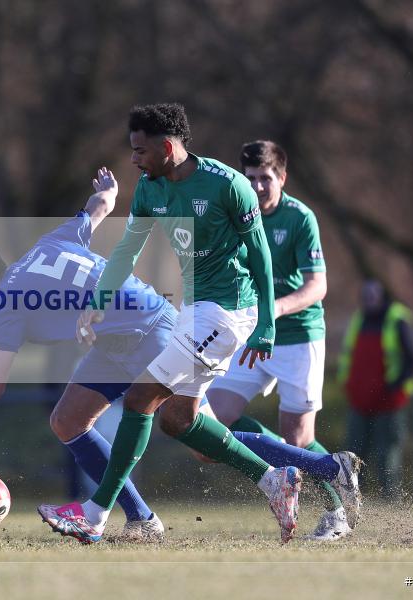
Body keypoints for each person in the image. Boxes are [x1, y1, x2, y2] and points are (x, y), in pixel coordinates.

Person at [0, 165, 358, 543]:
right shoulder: (44, 246)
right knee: (68, 420)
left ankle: (323, 467)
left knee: (193, 432)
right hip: (119, 333)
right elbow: (93, 212)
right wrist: (108, 194)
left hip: (151, 325)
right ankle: (142, 519)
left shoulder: (8, 304)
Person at [39, 103, 354, 544]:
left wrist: (265, 321)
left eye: (140, 150)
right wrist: (98, 301)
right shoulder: (150, 189)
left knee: (140, 397)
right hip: (195, 310)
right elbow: (128, 249)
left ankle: (96, 514)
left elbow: (260, 254)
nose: (133, 159)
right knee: (178, 420)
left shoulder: (228, 184)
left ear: (168, 147)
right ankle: (276, 480)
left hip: (229, 312)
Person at [202, 140, 360, 540]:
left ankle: (337, 512)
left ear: (282, 177)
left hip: (297, 338)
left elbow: (317, 286)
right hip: (250, 336)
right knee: (211, 422)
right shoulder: (233, 215)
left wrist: (273, 310)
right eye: (249, 178)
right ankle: (288, 466)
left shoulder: (300, 218)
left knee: (300, 437)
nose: (256, 187)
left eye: (265, 178)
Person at [339, 279, 413, 500]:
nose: (368, 301)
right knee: (354, 453)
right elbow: (349, 356)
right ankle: (353, 499)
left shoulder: (398, 319)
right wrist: (348, 385)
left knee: (388, 454)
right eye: (365, 296)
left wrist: (396, 388)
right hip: (359, 400)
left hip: (390, 402)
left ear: (383, 297)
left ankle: (391, 500)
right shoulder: (359, 319)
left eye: (373, 296)